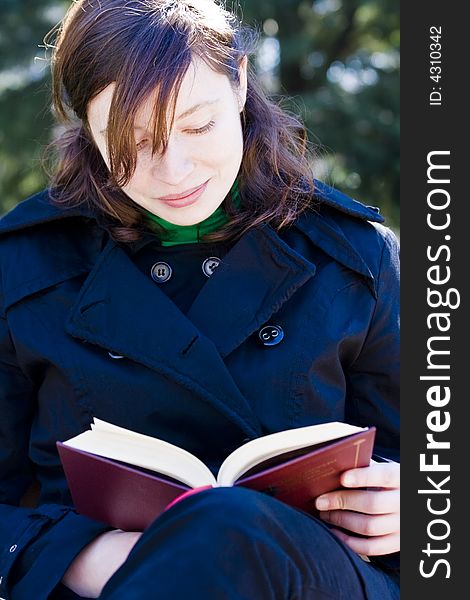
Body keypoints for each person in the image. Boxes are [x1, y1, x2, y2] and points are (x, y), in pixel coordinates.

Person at [0, 1, 400, 599]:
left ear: (239, 81)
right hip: (104, 585)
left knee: (227, 524)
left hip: (316, 582)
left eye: (196, 125)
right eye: (131, 141)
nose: (174, 170)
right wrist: (86, 553)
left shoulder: (357, 257)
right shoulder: (23, 267)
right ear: (86, 126)